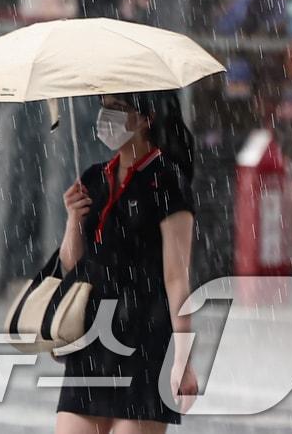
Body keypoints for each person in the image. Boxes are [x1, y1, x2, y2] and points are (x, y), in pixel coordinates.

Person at [56, 90, 200, 433]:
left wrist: (183, 357)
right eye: (104, 105)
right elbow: (72, 265)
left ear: (145, 118)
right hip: (93, 338)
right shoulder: (92, 178)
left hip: (146, 341)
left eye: (118, 107)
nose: (106, 115)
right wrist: (73, 220)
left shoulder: (166, 180)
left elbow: (176, 277)